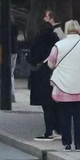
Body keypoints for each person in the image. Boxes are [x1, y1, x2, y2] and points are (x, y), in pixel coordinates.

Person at [46, 21, 80, 151]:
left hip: (63, 84)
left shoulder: (59, 45)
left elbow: (51, 63)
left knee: (65, 116)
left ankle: (67, 143)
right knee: (79, 116)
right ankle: (78, 144)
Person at [27, 12, 61, 142]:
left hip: (42, 75)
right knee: (56, 104)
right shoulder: (56, 41)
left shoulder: (38, 41)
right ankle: (59, 129)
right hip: (56, 74)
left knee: (46, 105)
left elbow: (32, 58)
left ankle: (49, 131)